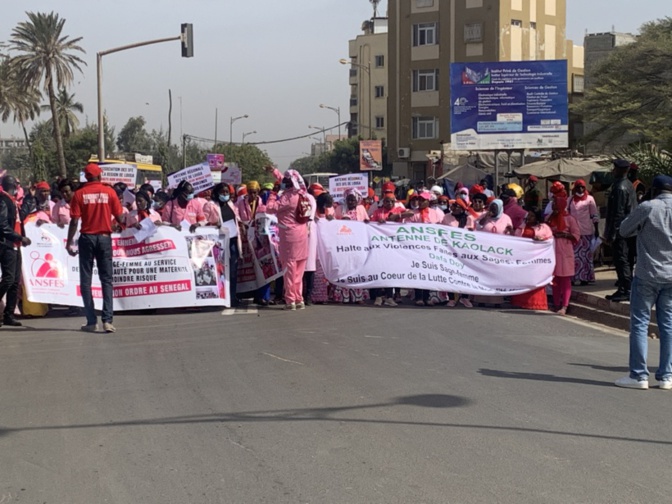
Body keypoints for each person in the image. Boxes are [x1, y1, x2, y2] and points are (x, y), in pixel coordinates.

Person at [615, 175, 672, 390]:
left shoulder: (648, 207)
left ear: (654, 190)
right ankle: (666, 376)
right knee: (668, 326)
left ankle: (639, 375)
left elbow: (623, 230)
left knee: (640, 323)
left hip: (648, 273)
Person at [66, 163, 123, 333]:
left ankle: (91, 321)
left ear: (86, 177)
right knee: (106, 280)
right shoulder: (109, 192)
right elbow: (120, 217)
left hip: (87, 239)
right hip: (104, 239)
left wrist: (69, 242)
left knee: (86, 281)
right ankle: (107, 320)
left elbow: (75, 221)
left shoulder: (79, 194)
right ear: (99, 176)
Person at [265, 167, 310, 310]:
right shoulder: (302, 193)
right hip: (302, 235)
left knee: (289, 269)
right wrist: (275, 172)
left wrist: (273, 193)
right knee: (299, 269)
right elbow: (288, 180)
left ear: (289, 184)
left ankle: (290, 300)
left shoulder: (287, 198)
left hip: (289, 237)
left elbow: (270, 208)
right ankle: (299, 299)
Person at [604, 158, 638, 302]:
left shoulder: (620, 187)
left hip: (622, 230)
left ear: (620, 170)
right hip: (630, 229)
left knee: (621, 260)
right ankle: (625, 288)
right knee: (627, 260)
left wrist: (612, 233)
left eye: (615, 168)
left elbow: (617, 213)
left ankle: (626, 289)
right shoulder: (628, 184)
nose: (613, 170)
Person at [0, 176, 32, 327]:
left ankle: (9, 314)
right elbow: (3, 226)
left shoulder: (12, 201)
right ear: (11, 185)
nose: (18, 188)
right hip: (7, 244)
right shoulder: (3, 201)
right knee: (8, 278)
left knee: (14, 281)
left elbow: (19, 218)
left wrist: (29, 199)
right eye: (16, 185)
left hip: (15, 244)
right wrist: (19, 237)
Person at [511, 209, 553, 310]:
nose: (529, 218)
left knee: (535, 280)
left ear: (537, 217)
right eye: (528, 215)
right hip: (524, 259)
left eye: (532, 216)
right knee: (523, 280)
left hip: (537, 259)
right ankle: (521, 302)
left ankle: (535, 303)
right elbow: (516, 239)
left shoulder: (544, 227)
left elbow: (551, 240)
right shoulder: (522, 226)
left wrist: (542, 240)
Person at [547, 196, 580, 315]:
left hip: (565, 251)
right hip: (553, 251)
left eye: (555, 203)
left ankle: (564, 306)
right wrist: (552, 216)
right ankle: (556, 304)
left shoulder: (570, 219)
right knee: (555, 279)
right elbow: (545, 227)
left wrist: (564, 235)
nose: (553, 205)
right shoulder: (550, 218)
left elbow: (576, 235)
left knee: (565, 279)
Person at [212, 183, 242, 307]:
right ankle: (222, 297)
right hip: (220, 243)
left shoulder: (231, 205)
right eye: (222, 192)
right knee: (220, 271)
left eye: (227, 192)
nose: (225, 195)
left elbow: (237, 219)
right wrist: (215, 225)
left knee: (233, 270)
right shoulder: (212, 206)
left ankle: (232, 296)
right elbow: (206, 222)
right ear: (217, 193)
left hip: (233, 242)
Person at [568, 179, 600, 285]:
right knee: (575, 256)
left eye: (582, 187)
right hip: (574, 232)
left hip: (586, 231)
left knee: (585, 255)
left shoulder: (590, 199)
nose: (580, 189)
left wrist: (597, 230)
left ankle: (585, 278)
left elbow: (594, 215)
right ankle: (574, 277)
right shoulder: (570, 200)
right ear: (575, 188)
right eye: (578, 187)